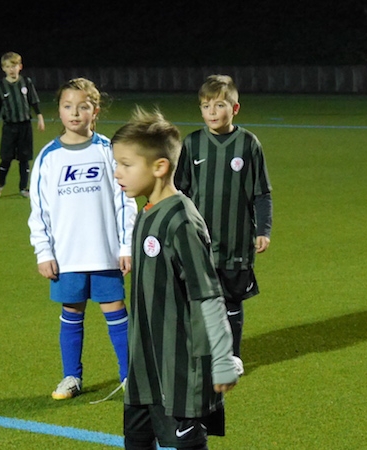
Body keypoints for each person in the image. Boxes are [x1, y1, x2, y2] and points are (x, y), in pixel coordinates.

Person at [112, 107, 238, 450]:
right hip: (144, 365)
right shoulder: (146, 213)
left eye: (126, 164)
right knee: (136, 440)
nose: (117, 172)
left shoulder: (181, 221)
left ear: (159, 167)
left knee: (186, 444)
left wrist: (222, 357)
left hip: (180, 367)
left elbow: (208, 294)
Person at [28, 78, 136, 400]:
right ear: (59, 111)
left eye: (83, 107)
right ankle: (71, 376)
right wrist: (43, 252)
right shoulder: (49, 158)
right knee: (71, 312)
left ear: (95, 111)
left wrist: (127, 245)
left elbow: (125, 200)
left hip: (105, 252)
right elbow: (39, 210)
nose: (75, 113)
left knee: (115, 309)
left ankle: (131, 376)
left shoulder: (107, 151)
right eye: (67, 106)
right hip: (66, 255)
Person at [174, 75, 273, 378]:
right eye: (206, 106)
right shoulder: (192, 144)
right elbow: (179, 191)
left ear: (235, 108)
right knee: (197, 300)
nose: (212, 112)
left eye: (219, 105)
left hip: (236, 240)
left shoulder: (248, 144)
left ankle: (232, 355)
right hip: (198, 242)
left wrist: (263, 230)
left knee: (231, 300)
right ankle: (200, 354)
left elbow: (261, 192)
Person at [0, 51, 46, 199]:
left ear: (20, 67)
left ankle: (24, 188)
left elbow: (34, 101)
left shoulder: (26, 82)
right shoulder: (0, 86)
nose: (11, 69)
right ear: (3, 68)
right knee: (6, 158)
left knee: (24, 159)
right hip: (9, 127)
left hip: (25, 126)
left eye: (14, 66)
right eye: (8, 67)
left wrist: (40, 117)